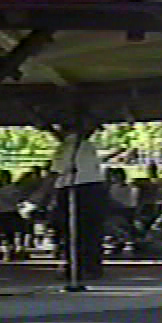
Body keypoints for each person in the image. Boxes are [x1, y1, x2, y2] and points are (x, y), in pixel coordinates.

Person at [48, 119, 107, 280]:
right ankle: (92, 266)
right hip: (94, 190)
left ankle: (76, 267)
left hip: (75, 190)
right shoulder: (86, 145)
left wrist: (39, 197)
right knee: (91, 232)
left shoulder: (68, 147)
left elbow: (56, 172)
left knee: (73, 233)